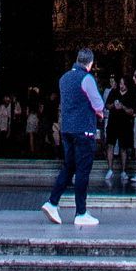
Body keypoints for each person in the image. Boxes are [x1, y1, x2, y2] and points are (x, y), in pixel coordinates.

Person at [41, 44, 104, 229]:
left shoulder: (64, 78)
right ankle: (81, 212)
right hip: (84, 130)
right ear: (90, 63)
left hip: (67, 129)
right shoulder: (87, 78)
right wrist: (99, 113)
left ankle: (52, 202)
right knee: (83, 171)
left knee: (69, 167)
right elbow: (98, 104)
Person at [100, 72, 133, 191]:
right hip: (113, 122)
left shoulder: (130, 95)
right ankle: (110, 169)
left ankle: (124, 171)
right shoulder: (113, 92)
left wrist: (123, 107)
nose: (121, 86)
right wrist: (113, 105)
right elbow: (107, 106)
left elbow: (132, 111)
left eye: (123, 84)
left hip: (124, 123)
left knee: (124, 147)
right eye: (120, 83)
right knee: (110, 145)